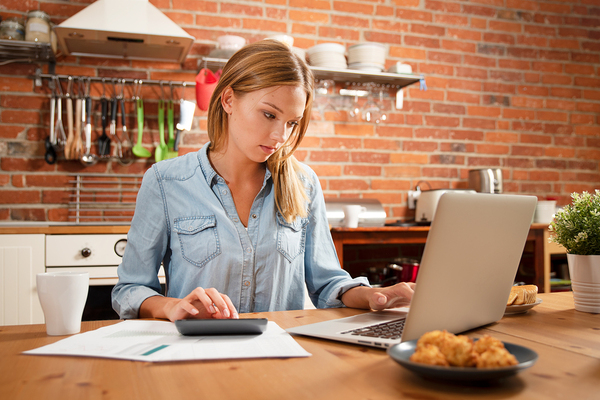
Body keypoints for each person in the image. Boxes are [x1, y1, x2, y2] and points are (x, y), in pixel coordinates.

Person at [112, 39, 415, 322]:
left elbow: (328, 284)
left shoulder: (304, 183)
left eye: (291, 123)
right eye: (269, 115)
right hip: (196, 357)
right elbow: (130, 289)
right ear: (228, 99)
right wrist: (171, 306)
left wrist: (376, 295)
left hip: (280, 360)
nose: (280, 136)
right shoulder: (165, 182)